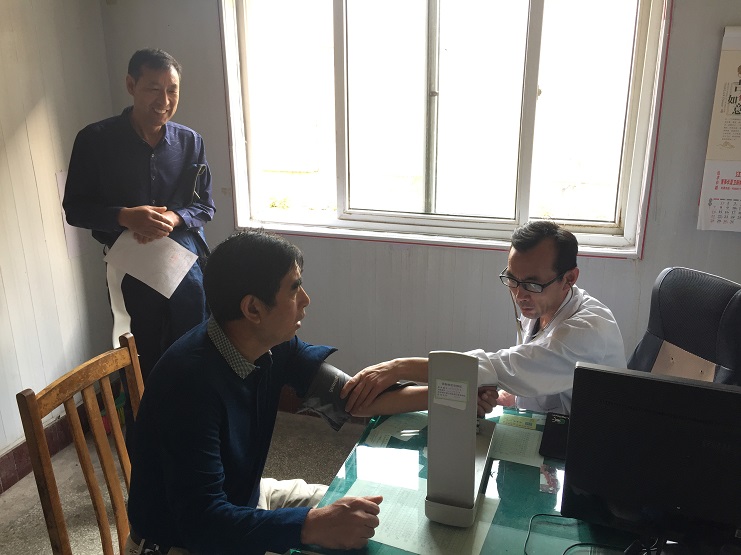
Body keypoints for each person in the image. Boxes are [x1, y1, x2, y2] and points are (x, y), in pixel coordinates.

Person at [125, 229, 428, 555]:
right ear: (253, 309)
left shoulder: (269, 345)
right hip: (184, 543)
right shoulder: (189, 385)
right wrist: (311, 524)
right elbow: (203, 525)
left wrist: (442, 392)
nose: (306, 299)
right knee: (349, 531)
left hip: (245, 502)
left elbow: (352, 399)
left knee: (377, 515)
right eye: (295, 288)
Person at [341, 220, 626, 416]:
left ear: (569, 279)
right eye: (512, 280)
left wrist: (399, 368)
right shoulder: (541, 305)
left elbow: (501, 367)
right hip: (542, 423)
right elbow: (528, 377)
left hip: (586, 446)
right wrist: (499, 396)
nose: (519, 294)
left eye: (532, 283)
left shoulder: (587, 331)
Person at [63, 48, 215, 383]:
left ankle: (190, 414)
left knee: (192, 348)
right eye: (153, 89)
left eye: (172, 90)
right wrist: (125, 217)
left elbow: (205, 206)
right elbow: (75, 209)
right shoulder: (94, 140)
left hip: (184, 266)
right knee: (140, 356)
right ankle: (143, 416)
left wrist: (173, 219)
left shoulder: (190, 141)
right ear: (131, 85)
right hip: (130, 267)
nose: (164, 100)